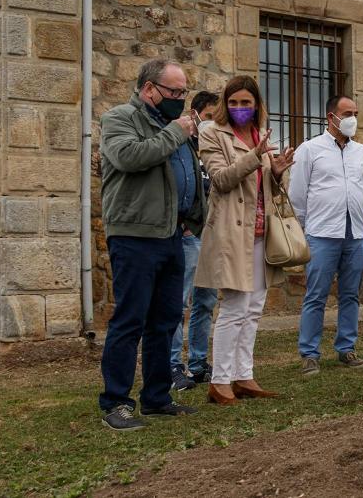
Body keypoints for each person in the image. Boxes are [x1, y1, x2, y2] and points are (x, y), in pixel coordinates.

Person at [97, 59, 204, 431]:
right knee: (130, 319)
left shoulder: (171, 126)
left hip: (172, 234)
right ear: (148, 89)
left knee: (165, 321)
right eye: (173, 92)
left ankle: (157, 398)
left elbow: (188, 174)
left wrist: (192, 218)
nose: (179, 99)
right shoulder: (119, 119)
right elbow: (129, 157)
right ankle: (116, 402)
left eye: (182, 92)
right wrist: (177, 132)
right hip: (134, 235)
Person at [194, 76, 294, 405]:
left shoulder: (258, 135)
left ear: (256, 105)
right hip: (231, 233)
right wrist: (255, 156)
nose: (239, 108)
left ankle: (244, 375)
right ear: (225, 103)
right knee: (234, 307)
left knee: (253, 309)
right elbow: (221, 180)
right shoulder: (212, 133)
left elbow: (267, 191)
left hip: (261, 232)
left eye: (245, 102)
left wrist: (277, 171)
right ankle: (220, 381)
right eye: (233, 102)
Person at [291, 94, 363, 376]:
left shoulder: (362, 151)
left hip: (355, 233)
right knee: (316, 295)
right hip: (321, 233)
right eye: (347, 112)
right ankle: (309, 353)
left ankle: (346, 348)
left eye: (355, 112)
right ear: (331, 117)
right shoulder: (309, 149)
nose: (352, 118)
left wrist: (355, 211)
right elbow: (298, 194)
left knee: (351, 294)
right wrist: (305, 228)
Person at [171, 91, 221, 391]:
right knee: (178, 303)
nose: (214, 123)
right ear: (196, 113)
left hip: (211, 236)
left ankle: (199, 363)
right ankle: (173, 365)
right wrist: (186, 226)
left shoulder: (213, 147)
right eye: (211, 117)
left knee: (206, 301)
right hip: (187, 236)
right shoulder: (181, 144)